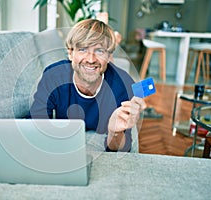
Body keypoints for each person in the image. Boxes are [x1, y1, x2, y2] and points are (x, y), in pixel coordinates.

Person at [28, 19, 146, 152]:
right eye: (83, 49)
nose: (90, 59)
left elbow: (121, 149)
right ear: (70, 53)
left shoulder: (123, 84)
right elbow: (36, 124)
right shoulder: (53, 76)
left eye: (100, 51)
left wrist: (115, 132)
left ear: (109, 56)